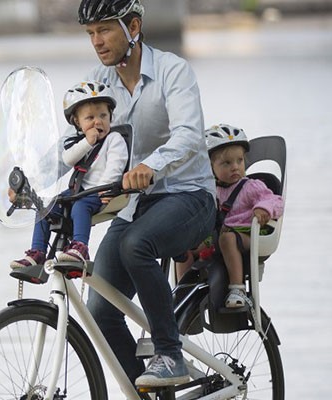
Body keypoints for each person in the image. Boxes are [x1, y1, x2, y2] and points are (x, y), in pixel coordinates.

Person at [75, 0, 217, 388]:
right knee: (100, 308)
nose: (97, 42)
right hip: (135, 205)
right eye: (90, 34)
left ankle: (170, 355)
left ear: (133, 25)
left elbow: (189, 133)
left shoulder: (173, 70)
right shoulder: (97, 83)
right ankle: (151, 393)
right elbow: (82, 143)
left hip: (189, 195)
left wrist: (150, 165)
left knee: (137, 244)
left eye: (104, 30)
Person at [9, 81, 128, 268]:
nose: (98, 122)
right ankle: (38, 252)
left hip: (98, 192)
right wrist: (87, 142)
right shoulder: (81, 142)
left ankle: (80, 247)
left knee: (80, 206)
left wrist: (105, 190)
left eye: (103, 115)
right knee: (46, 206)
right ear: (77, 122)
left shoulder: (114, 139)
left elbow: (116, 166)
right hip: (78, 190)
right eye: (90, 118)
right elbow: (68, 159)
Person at [201, 123, 284, 308]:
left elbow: (275, 200)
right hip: (220, 235)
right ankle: (182, 288)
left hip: (248, 236)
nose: (235, 167)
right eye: (227, 163)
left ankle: (237, 288)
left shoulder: (250, 186)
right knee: (188, 245)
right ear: (210, 167)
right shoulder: (211, 190)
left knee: (227, 239)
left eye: (239, 161)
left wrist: (263, 208)